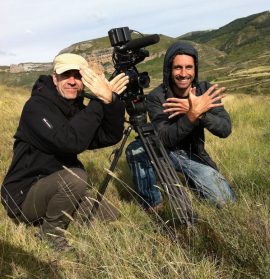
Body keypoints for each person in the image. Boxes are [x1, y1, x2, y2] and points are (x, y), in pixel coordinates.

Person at [1, 53, 129, 251]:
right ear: (54, 78)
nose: (72, 81)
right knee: (77, 178)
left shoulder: (74, 108)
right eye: (65, 75)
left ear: (85, 81)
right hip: (23, 196)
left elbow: (108, 136)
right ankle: (50, 234)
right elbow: (69, 142)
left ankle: (53, 211)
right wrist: (98, 102)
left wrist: (111, 102)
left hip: (55, 188)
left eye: (77, 76)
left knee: (109, 214)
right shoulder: (36, 107)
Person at [125, 41, 236, 212]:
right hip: (165, 151)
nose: (184, 73)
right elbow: (164, 139)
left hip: (194, 154)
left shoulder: (204, 91)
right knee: (136, 149)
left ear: (195, 68)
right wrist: (191, 115)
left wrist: (200, 113)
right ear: (170, 69)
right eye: (178, 68)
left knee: (226, 201)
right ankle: (152, 204)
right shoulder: (157, 97)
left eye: (189, 67)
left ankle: (193, 182)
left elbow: (225, 130)